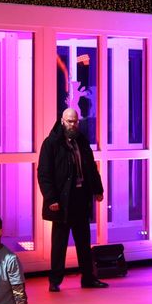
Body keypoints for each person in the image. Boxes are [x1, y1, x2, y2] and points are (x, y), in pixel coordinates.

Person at [38, 108, 108, 292]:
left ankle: (88, 278)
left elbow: (91, 168)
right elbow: (44, 174)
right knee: (59, 242)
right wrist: (51, 198)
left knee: (83, 241)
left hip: (80, 197)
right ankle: (55, 280)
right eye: (69, 121)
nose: (73, 124)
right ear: (62, 121)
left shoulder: (81, 141)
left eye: (75, 121)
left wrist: (98, 190)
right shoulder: (51, 143)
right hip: (61, 200)